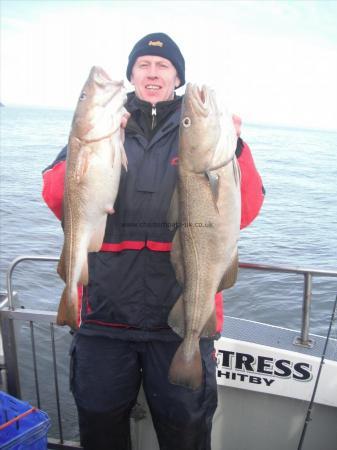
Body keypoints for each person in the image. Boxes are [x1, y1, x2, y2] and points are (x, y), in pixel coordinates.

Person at [42, 32, 264, 450]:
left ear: (177, 77)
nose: (152, 73)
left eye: (163, 66)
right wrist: (87, 147)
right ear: (130, 75)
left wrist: (237, 148)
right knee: (100, 427)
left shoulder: (201, 128)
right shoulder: (105, 122)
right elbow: (58, 198)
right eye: (143, 65)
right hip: (105, 315)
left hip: (178, 316)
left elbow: (245, 211)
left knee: (186, 432)